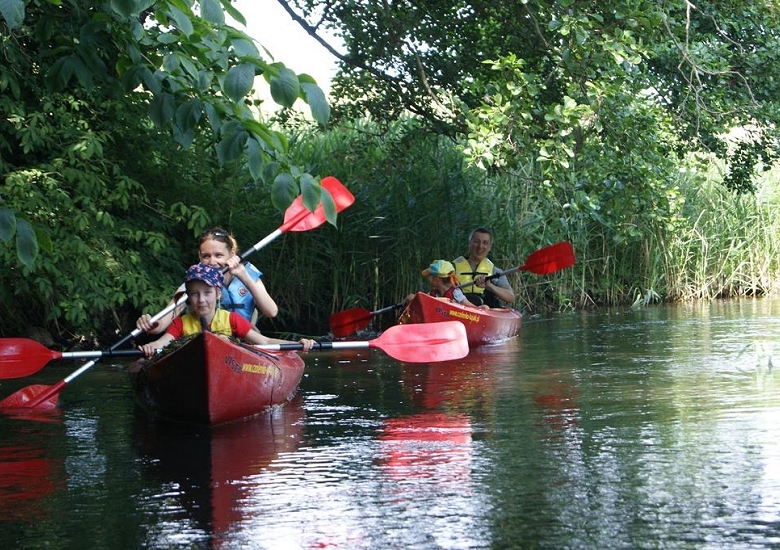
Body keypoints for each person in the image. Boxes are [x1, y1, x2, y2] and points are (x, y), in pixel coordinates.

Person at [138, 263, 315, 357]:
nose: (201, 300)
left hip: (230, 364)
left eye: (207, 293)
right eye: (194, 294)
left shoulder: (231, 320)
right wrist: (148, 347)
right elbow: (161, 344)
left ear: (217, 293)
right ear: (188, 297)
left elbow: (265, 342)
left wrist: (297, 344)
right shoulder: (181, 323)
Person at [137, 227, 278, 334]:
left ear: (232, 255)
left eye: (218, 255)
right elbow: (163, 322)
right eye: (206, 256)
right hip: (207, 339)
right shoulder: (195, 281)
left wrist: (244, 276)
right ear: (199, 257)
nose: (212, 262)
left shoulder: (247, 274)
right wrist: (151, 325)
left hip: (245, 340)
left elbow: (271, 312)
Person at [452, 227, 515, 308]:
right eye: (476, 242)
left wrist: (490, 286)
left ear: (489, 247)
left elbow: (510, 297)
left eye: (485, 243)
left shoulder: (495, 272)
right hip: (458, 310)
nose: (480, 246)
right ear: (469, 244)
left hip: (486, 310)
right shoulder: (452, 268)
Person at [406, 260, 488, 309]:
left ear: (436, 279)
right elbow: (423, 299)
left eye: (429, 276)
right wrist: (414, 298)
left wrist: (480, 308)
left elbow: (469, 306)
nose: (428, 279)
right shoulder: (433, 293)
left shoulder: (455, 293)